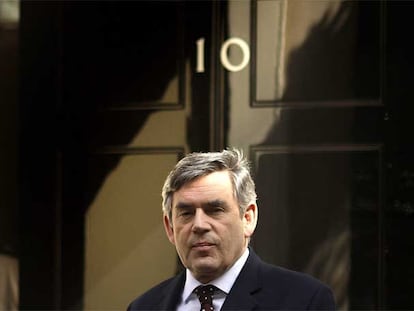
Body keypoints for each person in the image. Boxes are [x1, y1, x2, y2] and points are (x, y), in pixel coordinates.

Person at [128, 148, 336, 310]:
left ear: (248, 218)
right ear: (170, 228)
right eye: (187, 213)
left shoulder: (305, 301)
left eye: (215, 210)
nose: (199, 225)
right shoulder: (143, 307)